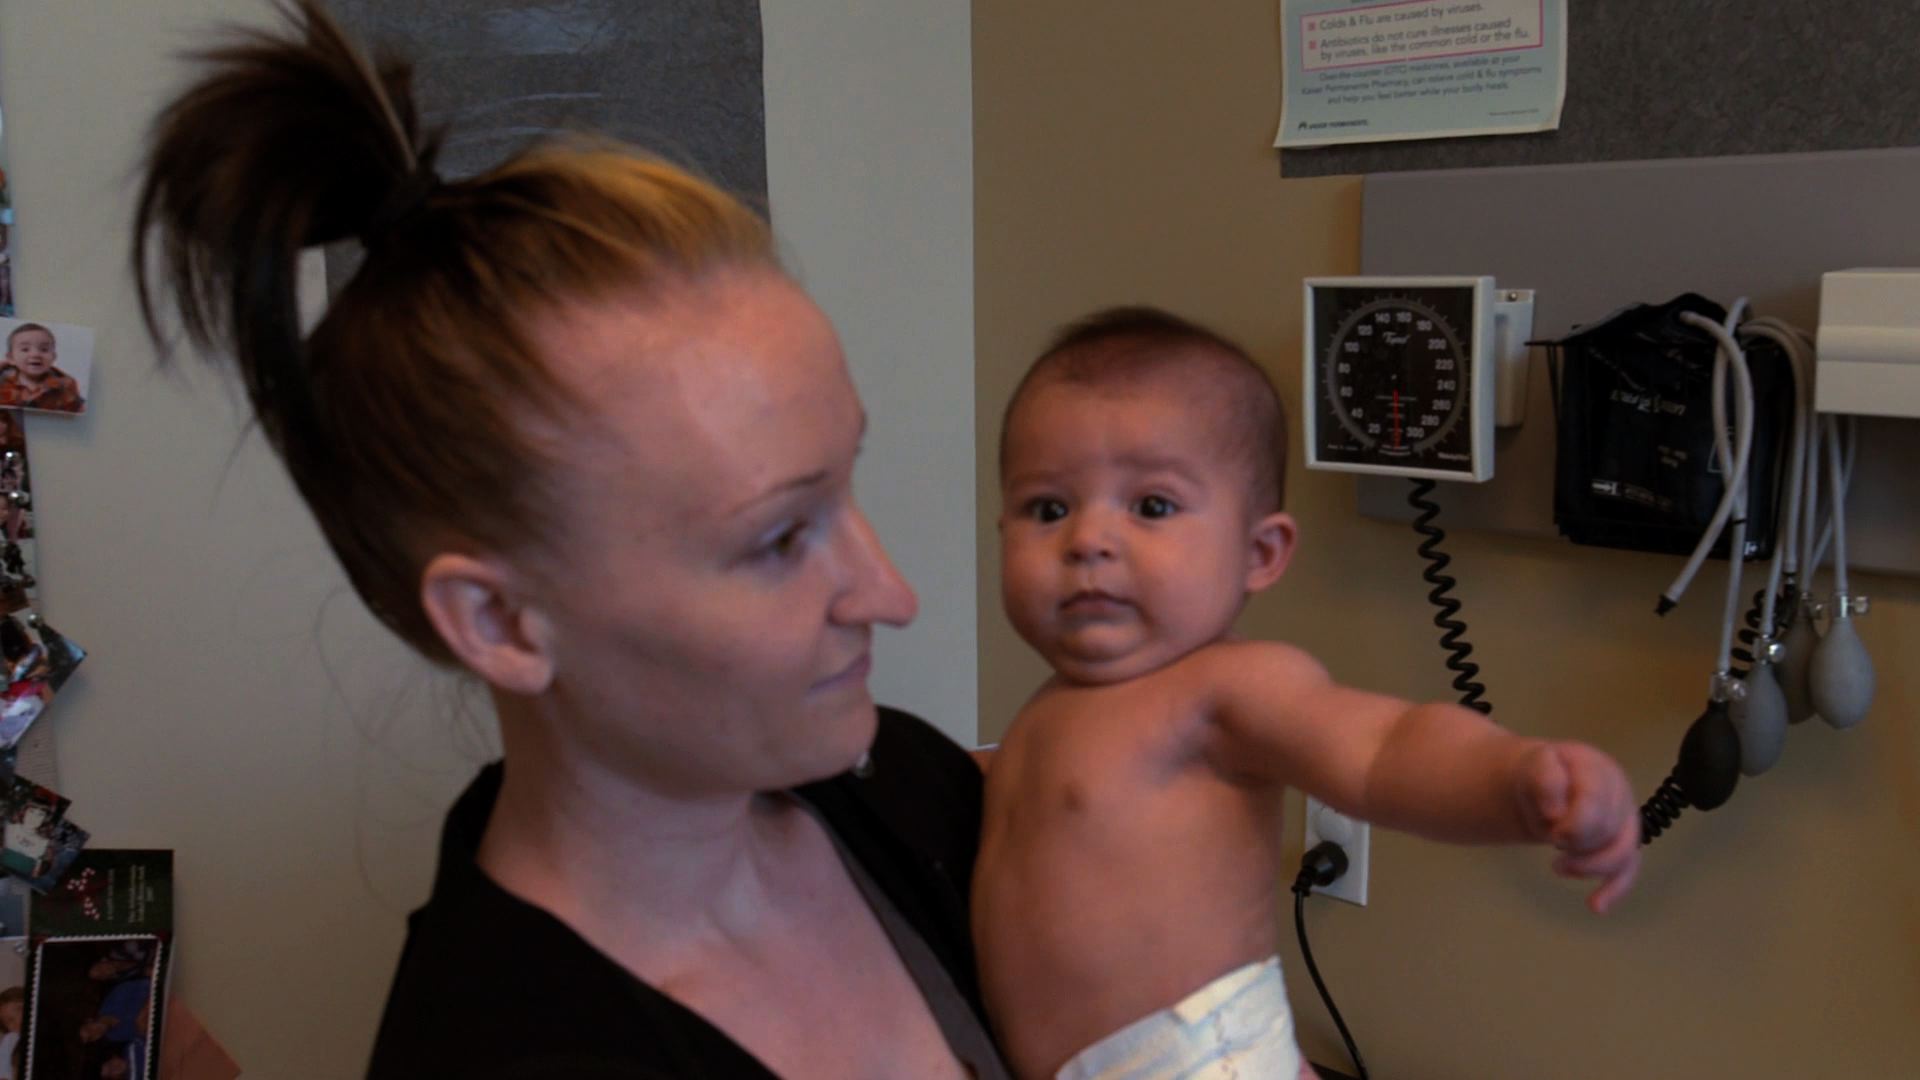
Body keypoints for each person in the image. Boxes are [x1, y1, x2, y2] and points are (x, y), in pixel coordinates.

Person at [134, 3, 1006, 1077]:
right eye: (780, 539)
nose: (889, 591)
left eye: (848, 483)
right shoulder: (508, 1047)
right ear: (500, 620)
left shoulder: (899, 789)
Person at [973, 307, 1642, 1080]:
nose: (1087, 538)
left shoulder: (1226, 686)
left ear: (1259, 554)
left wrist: (1516, 779)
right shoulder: (1052, 708)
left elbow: (1383, 750)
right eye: (1047, 508)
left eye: (1151, 505)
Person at [0, 324, 83, 414]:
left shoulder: (65, 386)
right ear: (11, 358)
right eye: (25, 349)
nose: (35, 354)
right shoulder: (2, 381)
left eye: (44, 349)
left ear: (53, 357)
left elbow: (75, 416)